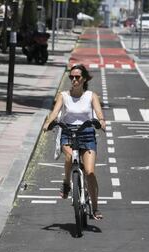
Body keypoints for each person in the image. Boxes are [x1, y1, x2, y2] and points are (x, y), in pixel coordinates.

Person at [43, 64, 106, 220]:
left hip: (87, 132)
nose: (74, 80)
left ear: (84, 79)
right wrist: (48, 123)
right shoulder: (63, 95)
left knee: (90, 172)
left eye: (77, 77)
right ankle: (66, 183)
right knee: (70, 157)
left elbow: (98, 113)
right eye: (71, 77)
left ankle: (95, 208)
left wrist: (101, 122)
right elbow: (55, 112)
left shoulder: (92, 96)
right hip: (68, 131)